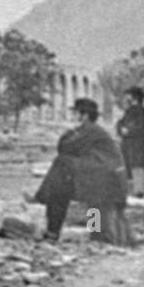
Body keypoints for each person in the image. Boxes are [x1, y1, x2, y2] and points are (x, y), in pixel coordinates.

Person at [28, 97, 134, 246]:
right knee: (61, 184)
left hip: (105, 179)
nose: (73, 117)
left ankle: (51, 223)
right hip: (103, 178)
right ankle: (57, 226)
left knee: (61, 169)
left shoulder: (89, 129)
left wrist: (69, 132)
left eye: (75, 113)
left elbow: (64, 147)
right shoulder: (91, 130)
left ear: (83, 115)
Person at [115, 87, 144, 199]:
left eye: (129, 95)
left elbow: (141, 127)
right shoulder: (129, 110)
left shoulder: (143, 111)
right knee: (127, 164)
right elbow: (120, 123)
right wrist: (121, 129)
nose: (126, 98)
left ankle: (139, 191)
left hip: (137, 143)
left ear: (135, 97)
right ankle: (128, 191)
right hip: (128, 143)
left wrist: (128, 130)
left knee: (138, 165)